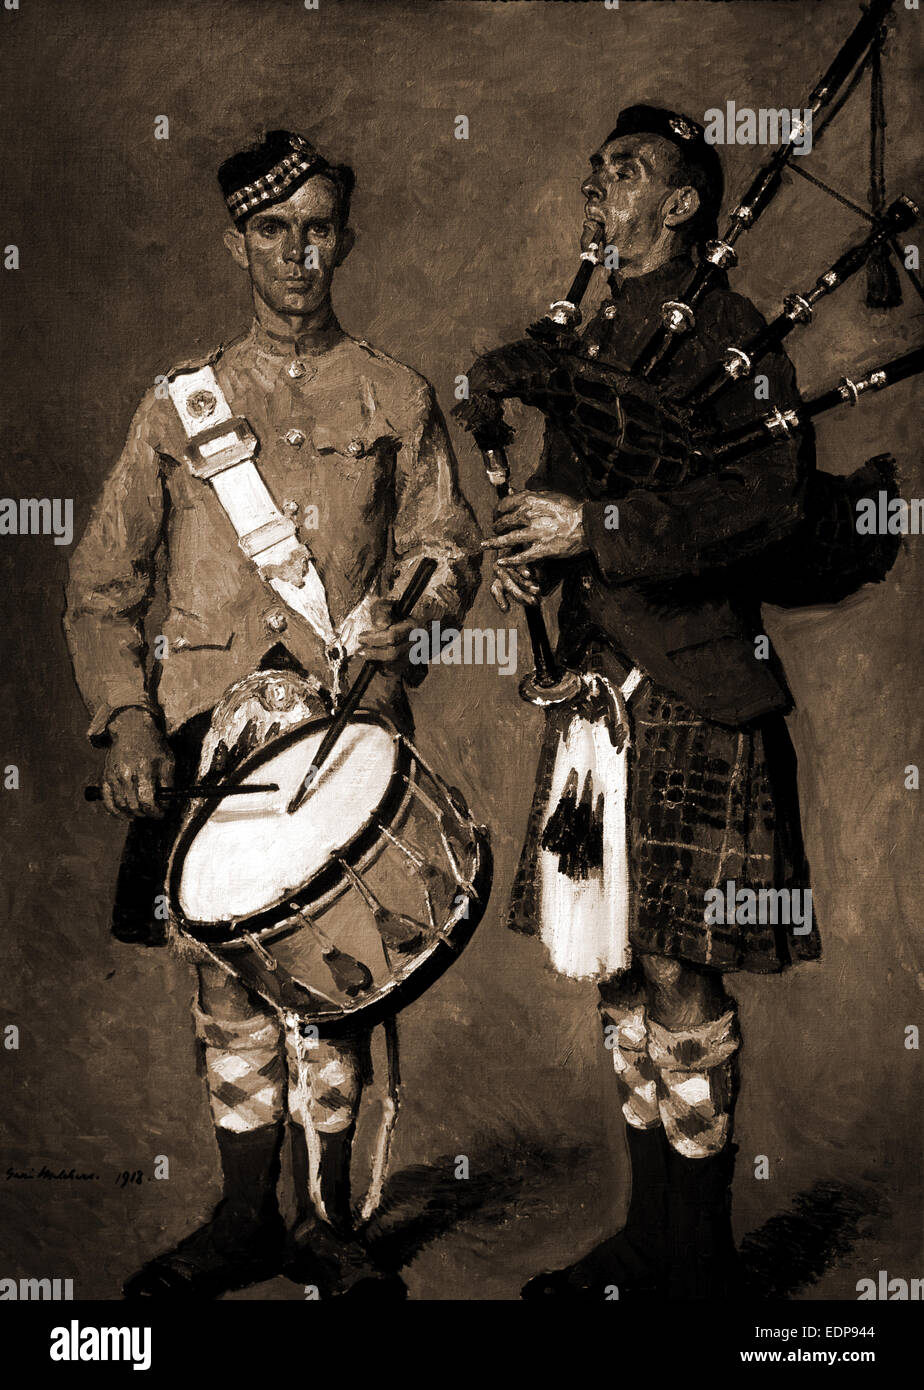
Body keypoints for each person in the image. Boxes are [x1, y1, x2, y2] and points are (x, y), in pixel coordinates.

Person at [64, 129, 480, 1299]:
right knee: (228, 982)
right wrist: (128, 721)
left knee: (333, 971)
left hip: (344, 725)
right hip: (208, 730)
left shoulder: (394, 391)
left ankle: (330, 1226)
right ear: (236, 243)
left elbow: (446, 545)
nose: (299, 253)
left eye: (318, 228)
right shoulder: (178, 405)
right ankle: (247, 1214)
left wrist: (425, 604)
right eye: (273, 231)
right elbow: (101, 586)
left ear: (344, 236)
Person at [484, 106, 819, 1299]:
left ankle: (701, 1259)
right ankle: (650, 1241)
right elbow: (571, 499)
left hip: (691, 684)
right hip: (592, 687)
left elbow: (772, 505)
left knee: (680, 974)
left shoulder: (729, 336)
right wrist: (535, 546)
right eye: (596, 170)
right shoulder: (591, 336)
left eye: (625, 173)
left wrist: (601, 527)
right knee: (619, 969)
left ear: (680, 206)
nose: (598, 188)